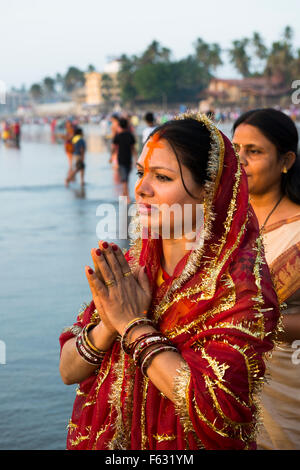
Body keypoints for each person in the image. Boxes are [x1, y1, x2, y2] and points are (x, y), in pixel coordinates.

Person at [59, 113, 280, 450]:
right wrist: (108, 324)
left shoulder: (239, 286)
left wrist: (132, 326)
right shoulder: (134, 266)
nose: (140, 189)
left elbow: (218, 414)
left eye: (161, 177)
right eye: (140, 172)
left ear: (210, 190)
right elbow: (67, 371)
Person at [232, 108, 300, 450]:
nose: (240, 160)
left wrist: (248, 323)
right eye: (236, 150)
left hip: (286, 388)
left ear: (286, 160)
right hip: (221, 382)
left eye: (254, 152)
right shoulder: (216, 221)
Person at [111, 117, 137, 201]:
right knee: (126, 178)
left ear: (119, 126)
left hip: (121, 160)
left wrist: (111, 157)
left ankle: (126, 196)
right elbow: (133, 149)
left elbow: (114, 148)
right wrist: (136, 159)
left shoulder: (118, 136)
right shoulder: (130, 135)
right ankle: (125, 195)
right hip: (128, 159)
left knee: (124, 179)